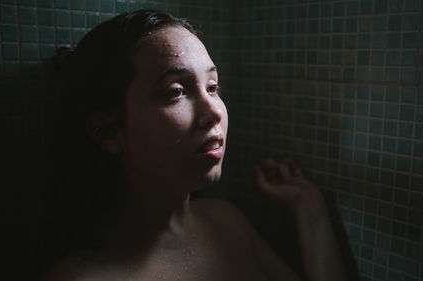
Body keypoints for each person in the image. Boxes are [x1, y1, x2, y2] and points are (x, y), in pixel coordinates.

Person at [43, 9, 350, 281]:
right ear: (109, 132)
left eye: (213, 87)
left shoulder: (226, 222)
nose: (214, 111)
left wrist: (311, 209)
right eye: (176, 91)